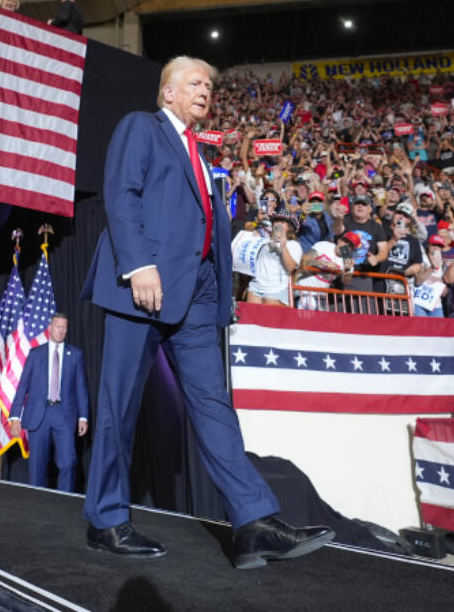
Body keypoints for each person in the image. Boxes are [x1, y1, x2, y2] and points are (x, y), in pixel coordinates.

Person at [81, 55, 333, 568]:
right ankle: (106, 521)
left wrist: (221, 296)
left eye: (209, 86)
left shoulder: (200, 153)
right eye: (194, 83)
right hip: (142, 288)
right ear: (167, 93)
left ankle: (254, 523)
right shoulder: (141, 127)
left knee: (215, 406)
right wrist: (137, 264)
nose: (205, 91)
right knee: (118, 406)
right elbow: (120, 193)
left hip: (195, 297)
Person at [8, 313, 90, 492]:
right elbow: (23, 386)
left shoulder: (75, 355)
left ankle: (64, 500)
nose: (61, 331)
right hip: (39, 415)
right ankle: (38, 503)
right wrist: (15, 416)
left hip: (64, 415)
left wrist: (83, 417)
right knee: (37, 466)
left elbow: (81, 388)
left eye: (64, 328)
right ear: (50, 328)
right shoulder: (35, 354)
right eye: (58, 327)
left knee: (68, 462)